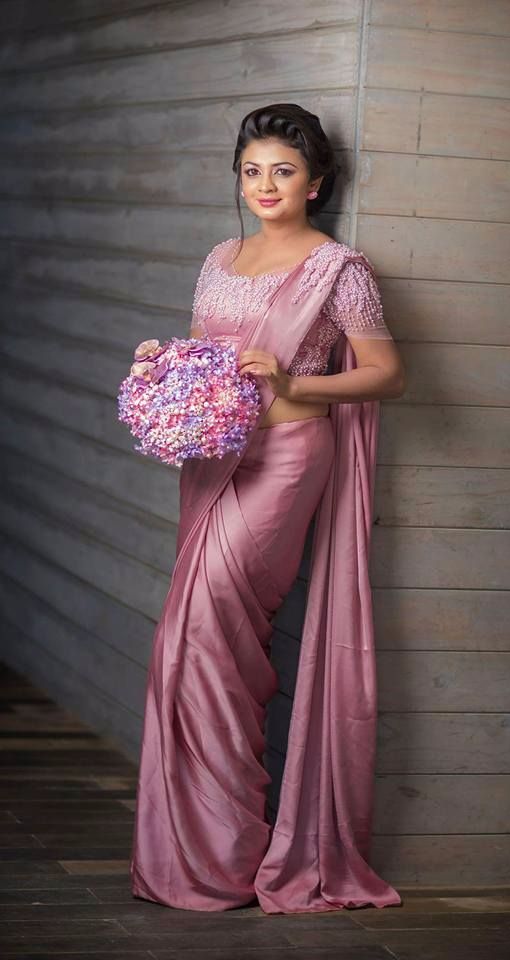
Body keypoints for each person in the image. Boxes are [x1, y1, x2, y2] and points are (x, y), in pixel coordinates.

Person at [130, 103, 407, 914]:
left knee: (216, 628)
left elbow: (388, 374)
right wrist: (162, 364)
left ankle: (230, 850)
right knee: (190, 643)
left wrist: (294, 384)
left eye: (283, 171)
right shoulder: (222, 255)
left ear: (316, 182)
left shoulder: (337, 268)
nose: (265, 186)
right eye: (252, 171)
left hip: (287, 460)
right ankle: (207, 851)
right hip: (217, 458)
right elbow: (208, 359)